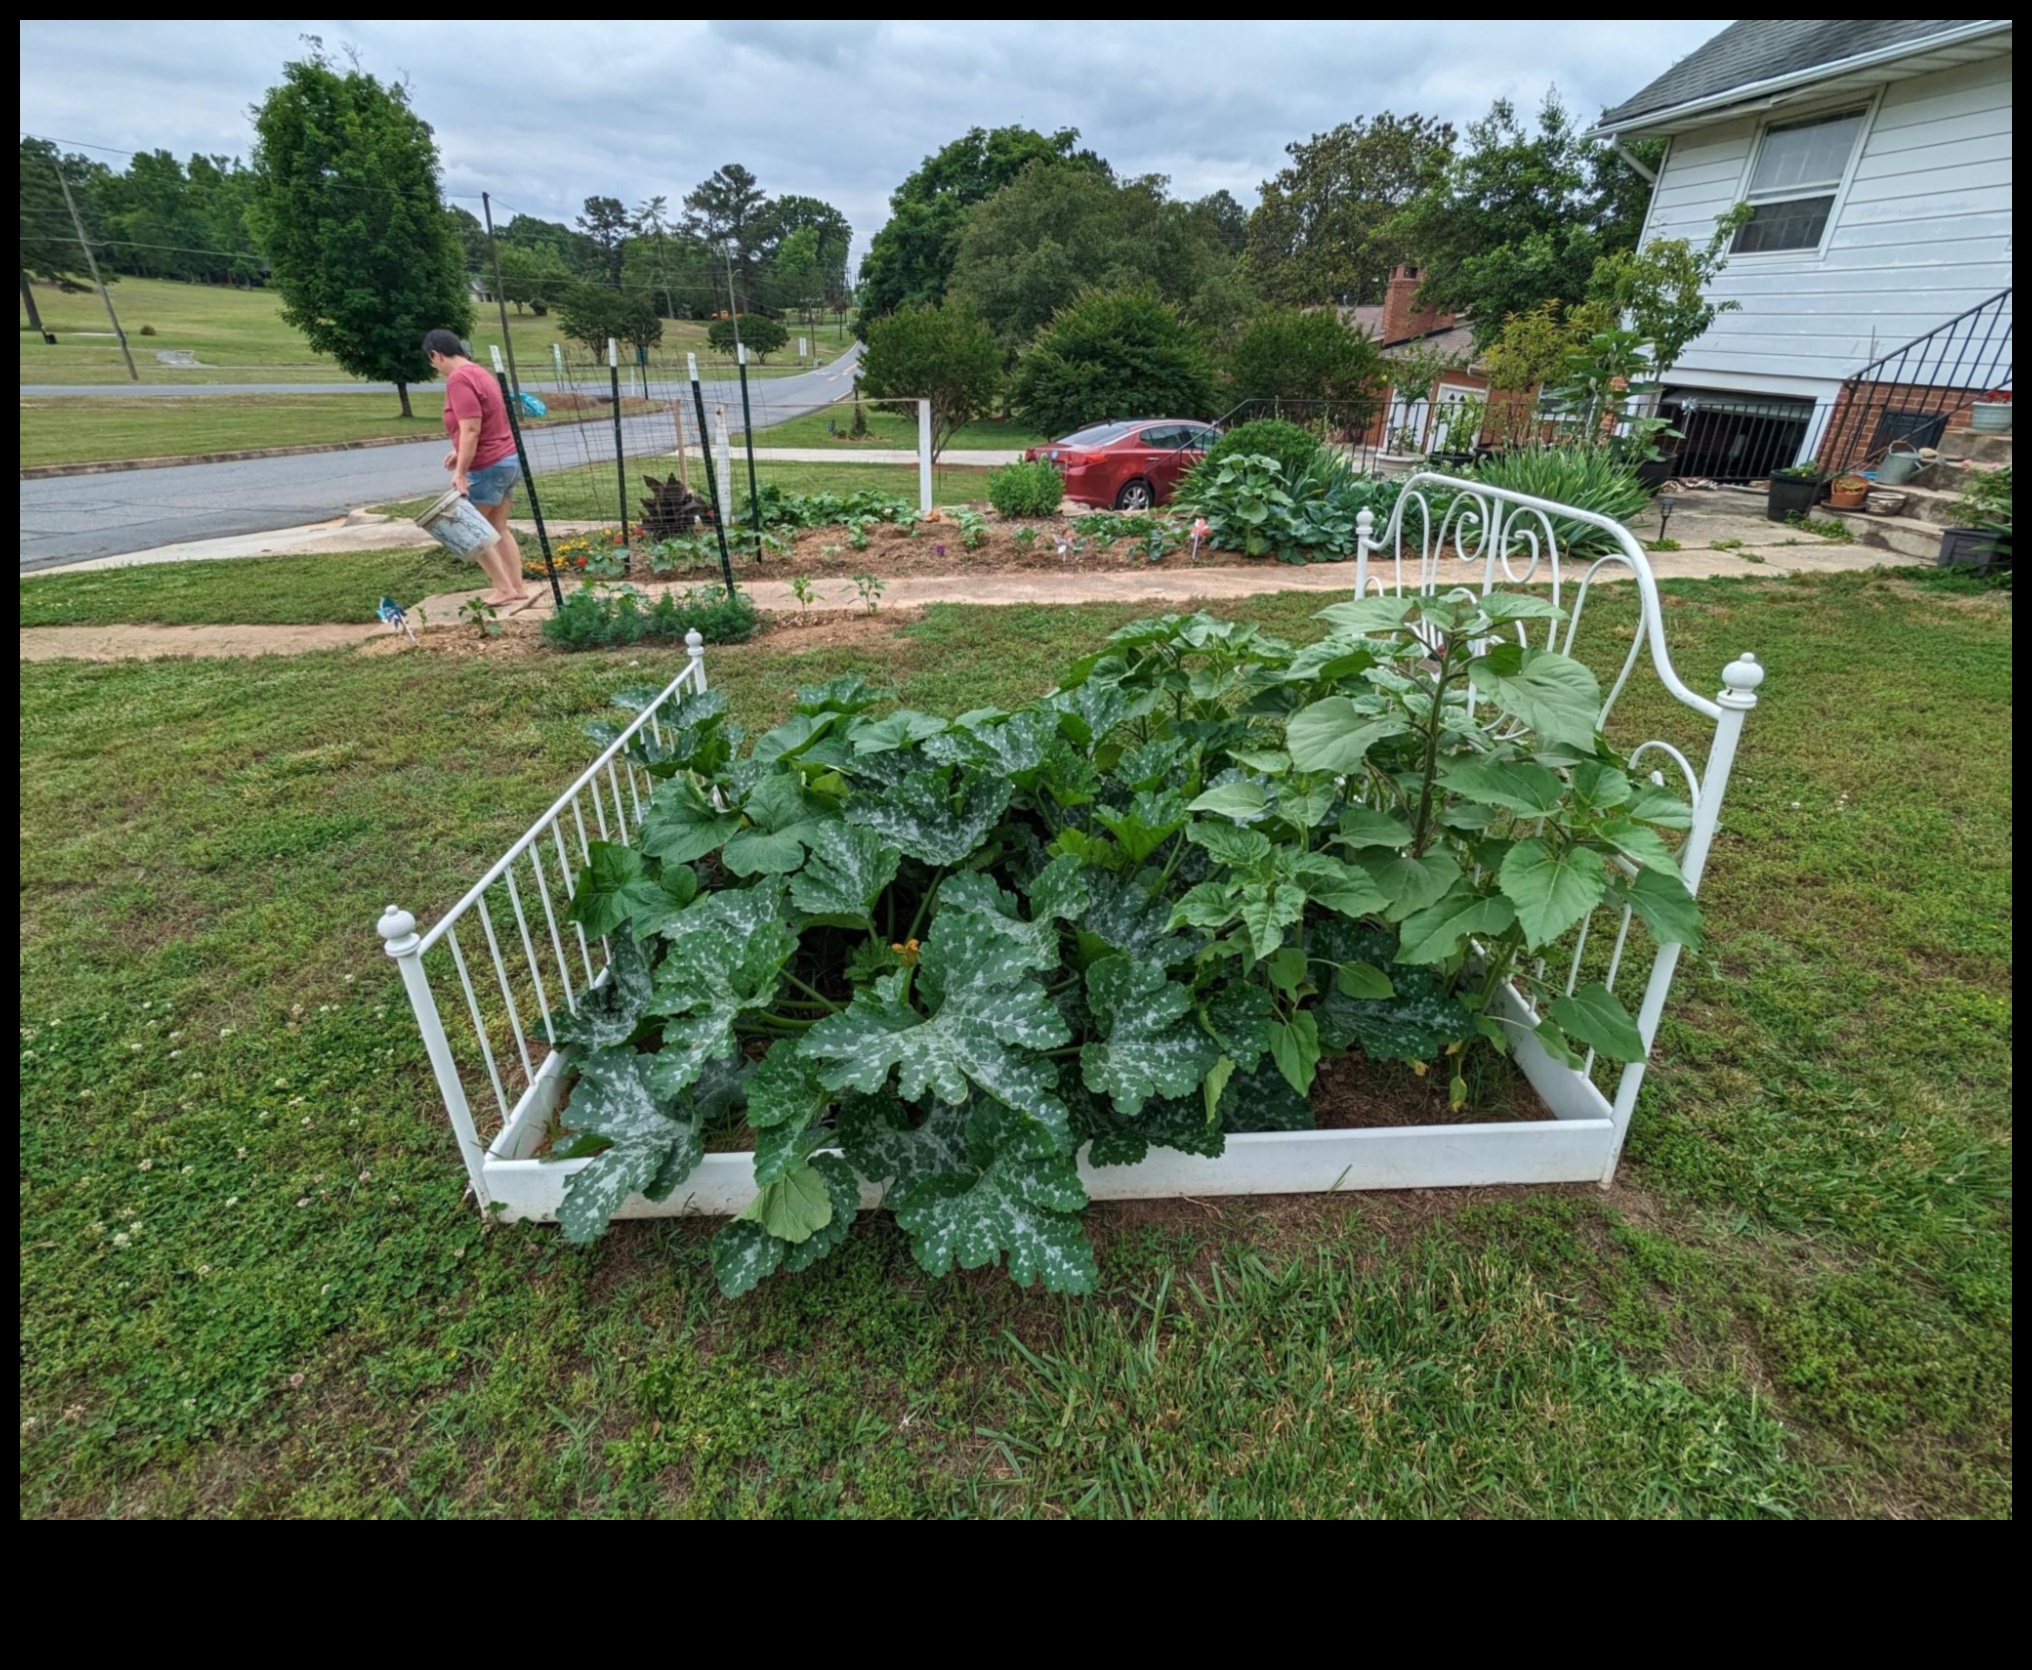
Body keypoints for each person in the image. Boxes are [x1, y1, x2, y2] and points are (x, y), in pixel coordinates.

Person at [423, 328, 534, 609]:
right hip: (508, 460)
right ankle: (517, 587)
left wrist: (460, 472)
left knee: (472, 530)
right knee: (499, 526)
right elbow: (486, 424)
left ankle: (503, 588)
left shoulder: (458, 379)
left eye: (431, 360)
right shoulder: (480, 373)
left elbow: (471, 429)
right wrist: (459, 450)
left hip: (487, 465)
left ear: (436, 354)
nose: (434, 366)